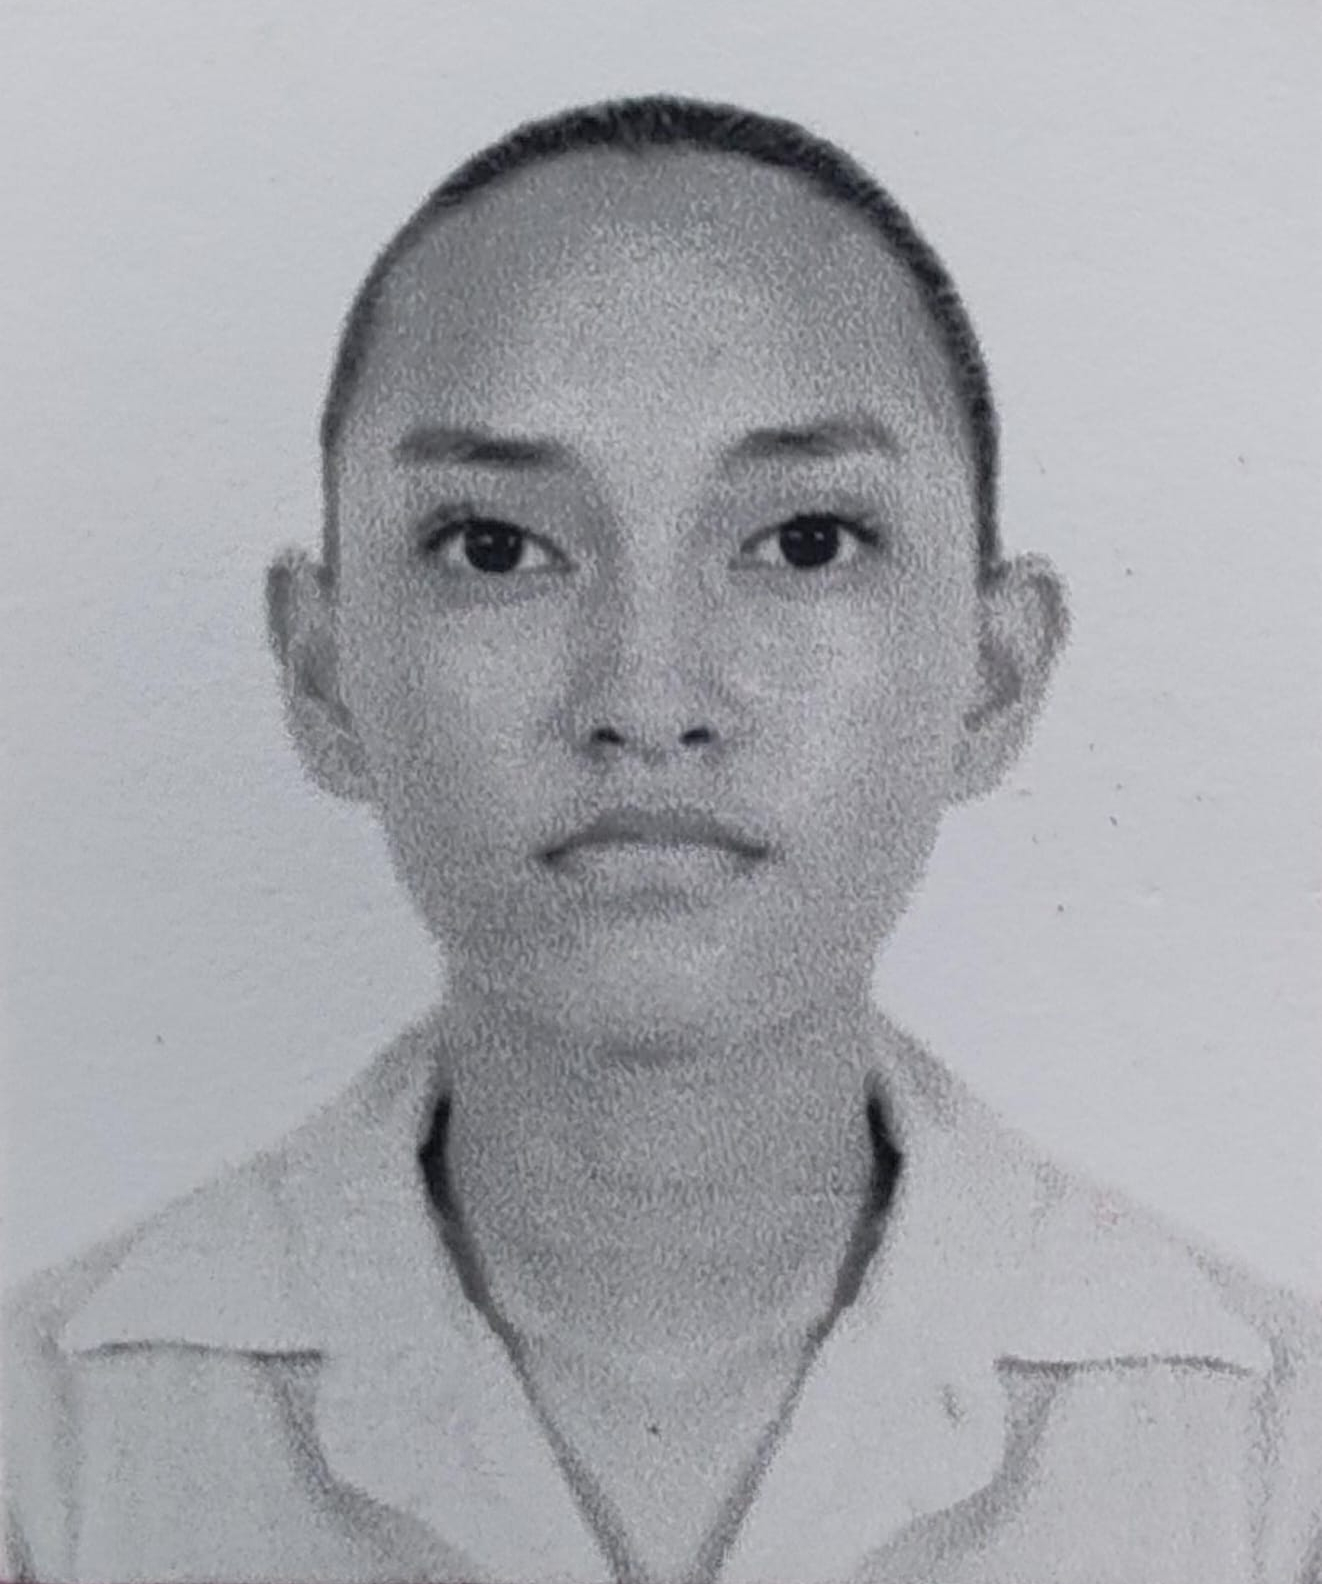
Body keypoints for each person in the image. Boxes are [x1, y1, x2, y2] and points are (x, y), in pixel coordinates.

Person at [3, 94, 1319, 1584]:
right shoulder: (50, 1467)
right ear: (324, 673)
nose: (646, 701)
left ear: (994, 673)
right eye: (496, 547)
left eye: (804, 542)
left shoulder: (1271, 1476)